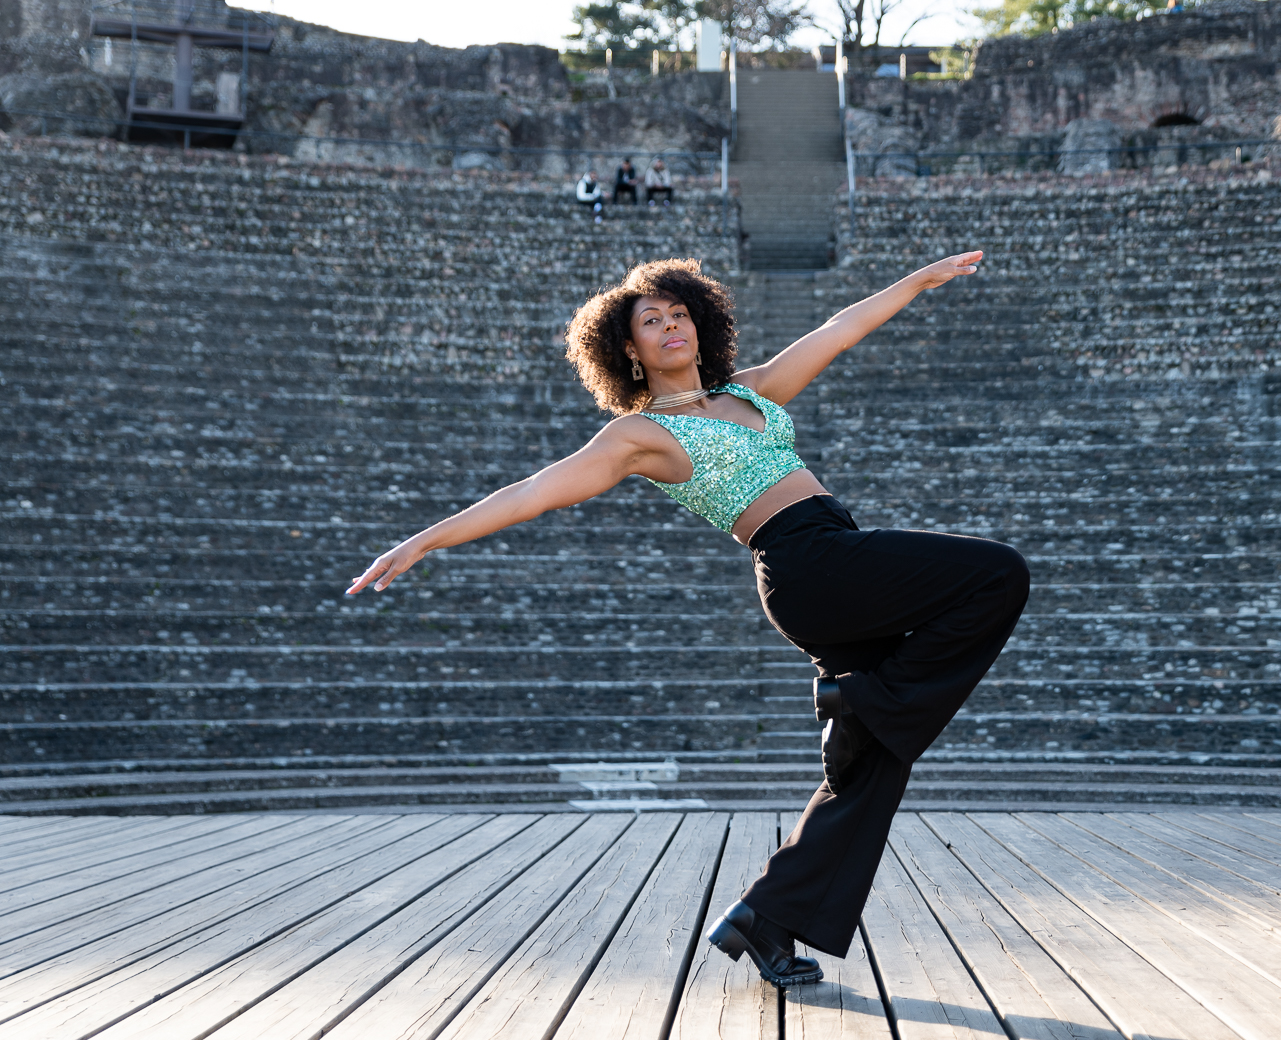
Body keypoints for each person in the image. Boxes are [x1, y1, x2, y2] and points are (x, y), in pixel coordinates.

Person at [347, 252, 1027, 988]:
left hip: (835, 555)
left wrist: (917, 282)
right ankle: (859, 699)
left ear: (701, 325)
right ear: (629, 350)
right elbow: (532, 491)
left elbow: (837, 330)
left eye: (679, 313)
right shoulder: (637, 435)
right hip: (806, 564)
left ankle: (765, 918)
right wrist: (424, 541)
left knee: (870, 767)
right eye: (652, 321)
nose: (671, 326)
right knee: (997, 573)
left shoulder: (749, 391)